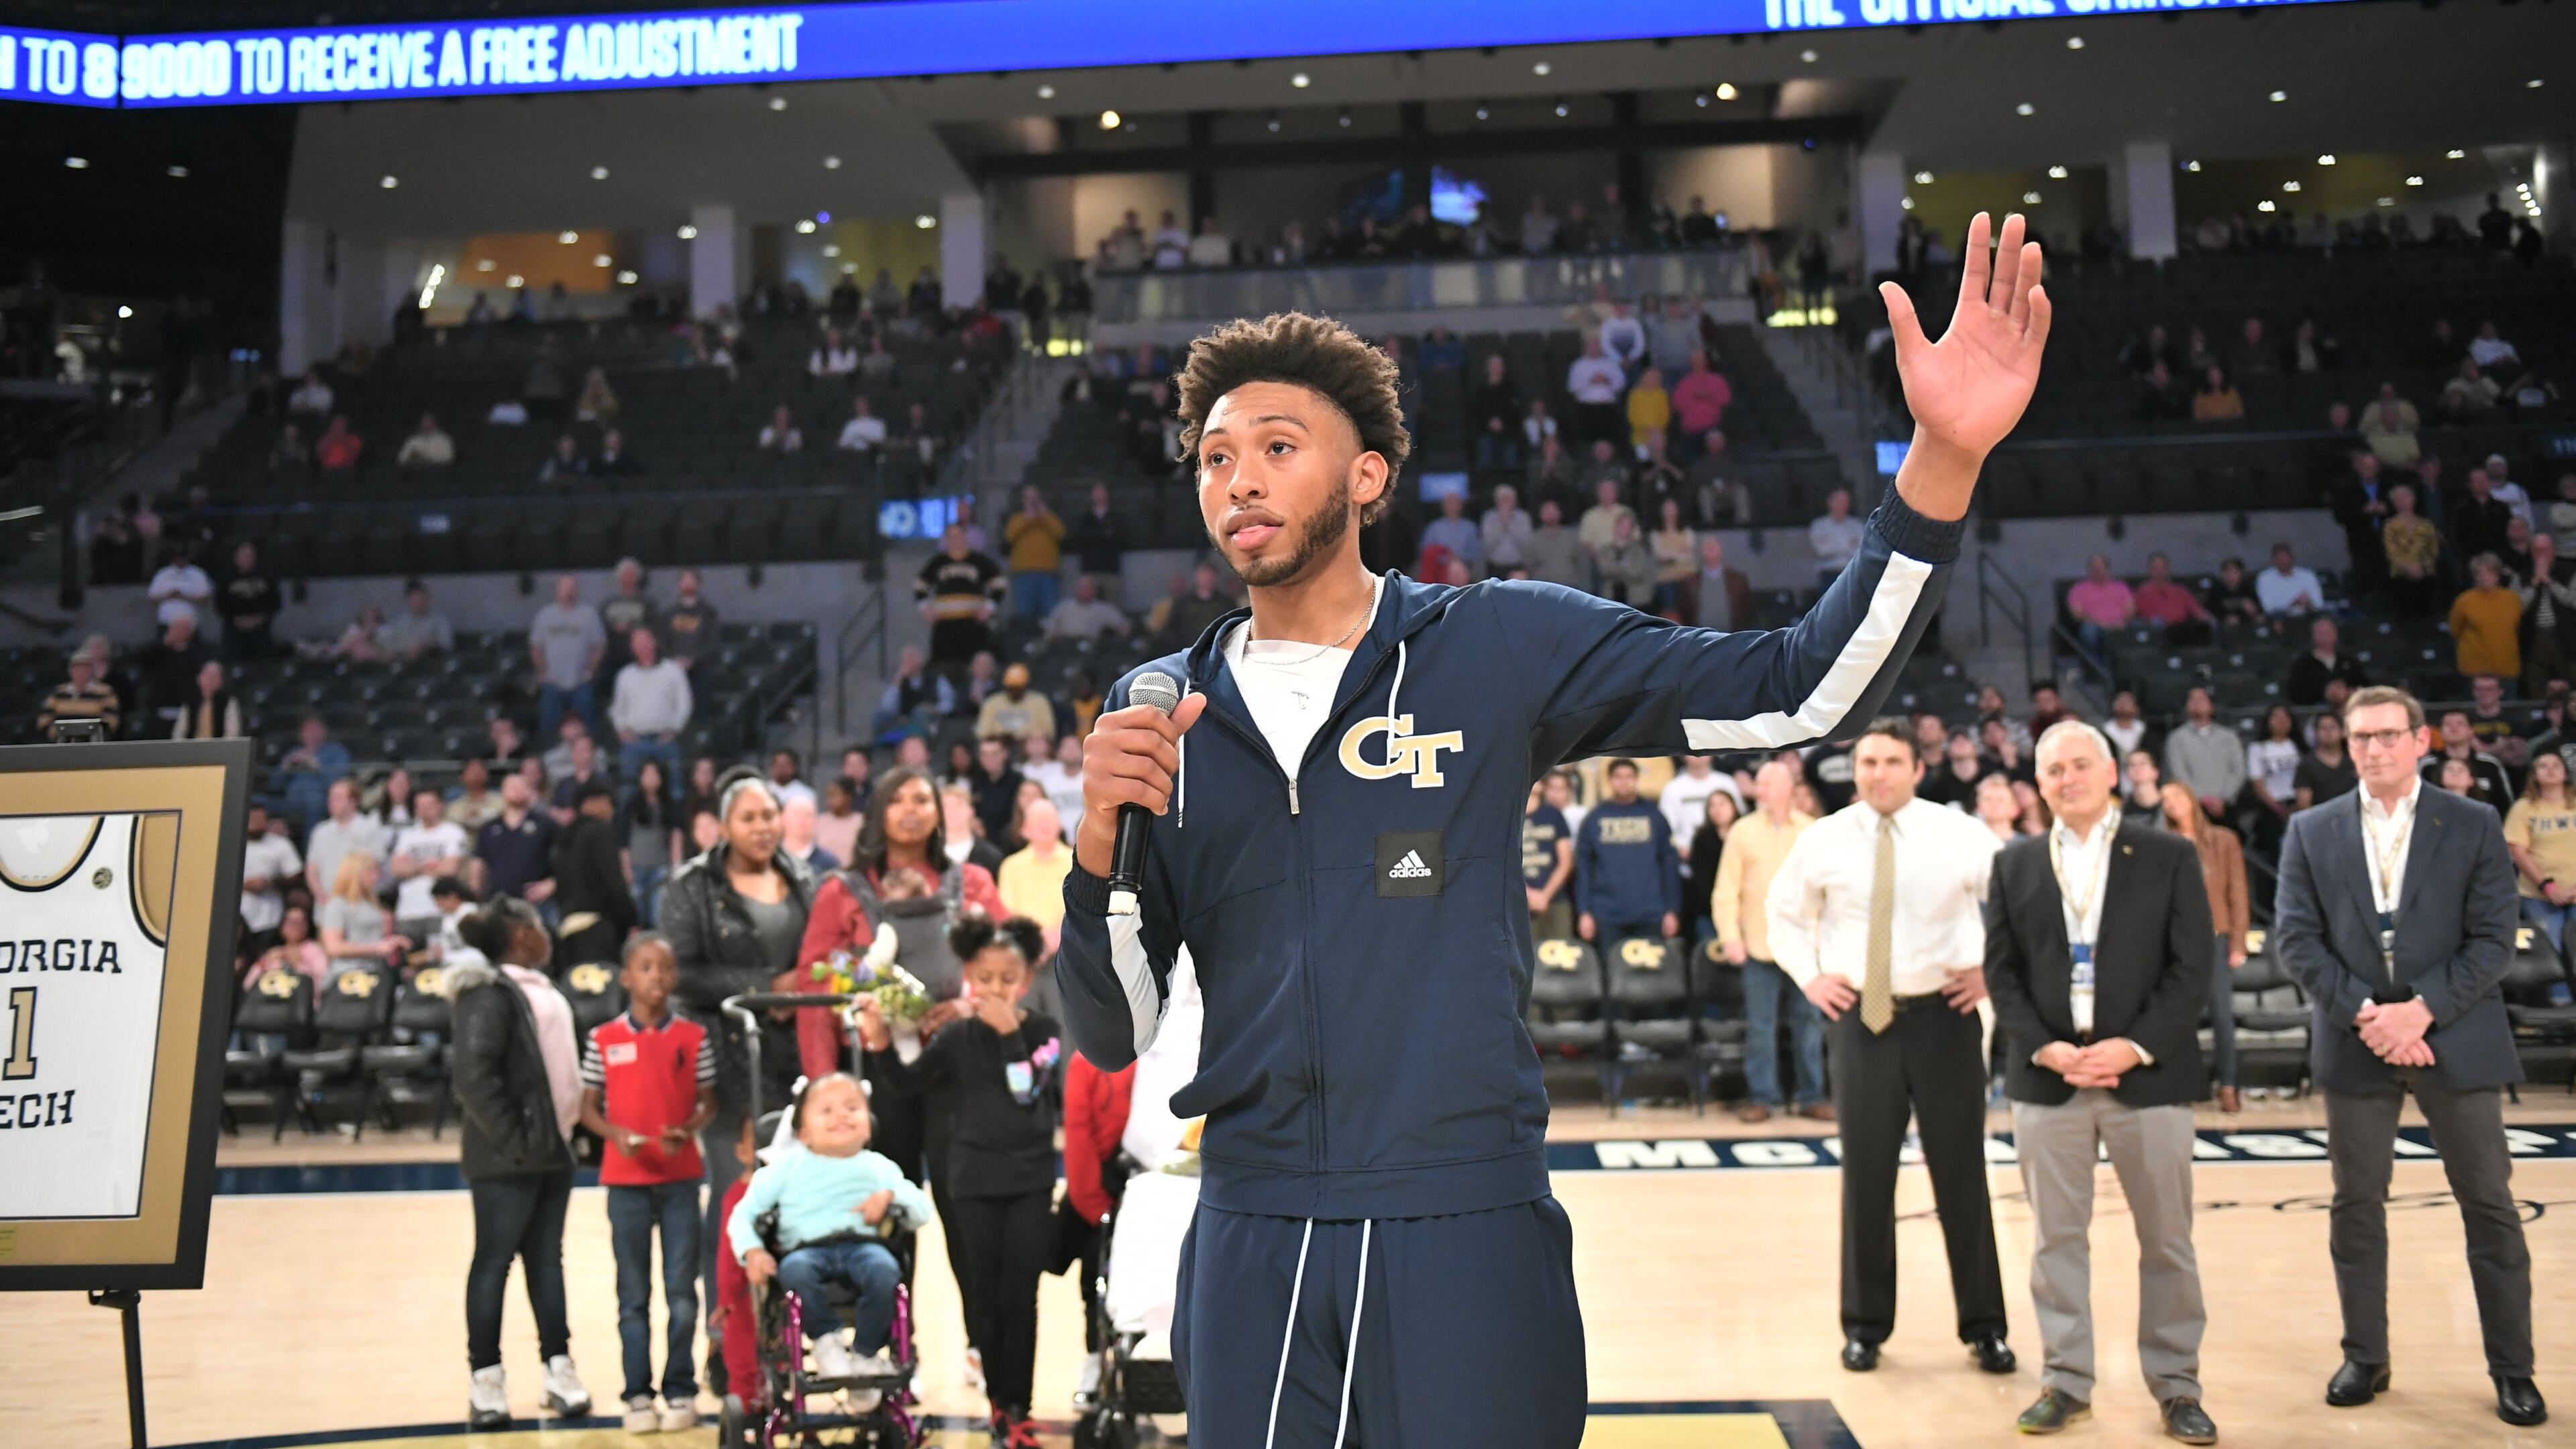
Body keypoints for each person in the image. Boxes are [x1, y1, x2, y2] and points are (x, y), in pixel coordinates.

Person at [1058, 225, 2047, 1447]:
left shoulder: (1497, 645)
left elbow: (1801, 688)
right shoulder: (1161, 710)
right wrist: (1100, 847)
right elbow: (1113, 1028)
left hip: (1462, 1220)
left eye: (1275, 448)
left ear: (1367, 476)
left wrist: (1942, 458)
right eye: (1214, 459)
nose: (1238, 480)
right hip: (1254, 1232)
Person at [2269, 686, 2544, 1428]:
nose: (2374, 749)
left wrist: (2420, 1009)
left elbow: (2494, 937)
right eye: (2360, 737)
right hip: (2357, 1037)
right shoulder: (2311, 828)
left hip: (2453, 1031)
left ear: (2421, 741)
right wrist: (2368, 1013)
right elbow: (2296, 939)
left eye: (2389, 735)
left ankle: (2513, 1370)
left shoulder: (2476, 822)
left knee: (2489, 1205)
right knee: (2356, 1206)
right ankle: (2366, 1355)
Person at [1984, 723, 2217, 1446]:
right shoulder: (2015, 863)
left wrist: (2134, 1045)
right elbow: (2002, 974)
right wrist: (2047, 1049)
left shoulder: (2169, 854)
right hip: (2049, 1079)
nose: (2067, 778)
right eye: (2053, 768)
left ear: (2111, 771)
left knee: (2168, 1242)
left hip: (2145, 1077)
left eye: (2081, 764)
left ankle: (2177, 1388)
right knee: (2056, 1241)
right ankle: (2065, 1381)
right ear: (2039, 781)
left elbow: (2192, 971)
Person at [1766, 720, 2014, 1375]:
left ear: (1917, 767)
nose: (1878, 773)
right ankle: (1865, 1327)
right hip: (1861, 1021)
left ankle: (1985, 1326)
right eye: (1868, 761)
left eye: (1892, 761)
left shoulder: (1959, 832)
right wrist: (1810, 976)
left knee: (1962, 1175)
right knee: (1867, 1178)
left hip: (1947, 1017)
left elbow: (2017, 905)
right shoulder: (1824, 839)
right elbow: (1782, 911)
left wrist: (1993, 970)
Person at [857, 913, 1063, 1445]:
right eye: (986, 978)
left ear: (1026, 981)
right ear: (970, 975)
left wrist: (1009, 1036)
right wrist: (879, 1044)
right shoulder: (955, 1038)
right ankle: (998, 1405)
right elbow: (906, 1083)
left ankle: (1021, 1405)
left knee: (1022, 1296)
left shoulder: (1044, 1033)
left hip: (1030, 1181)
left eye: (1008, 979)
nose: (996, 989)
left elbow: (1028, 1093)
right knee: (984, 1296)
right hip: (972, 1181)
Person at [663, 773, 816, 1366]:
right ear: (724, 826)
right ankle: (725, 1335)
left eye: (769, 815)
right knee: (735, 1199)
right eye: (749, 817)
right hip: (726, 1063)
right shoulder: (692, 886)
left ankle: (781, 1332)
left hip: (793, 1061)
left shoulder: (802, 877)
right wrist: (764, 989)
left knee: (790, 1198)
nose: (763, 827)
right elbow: (682, 972)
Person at [444, 897, 591, 1431]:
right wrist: (517, 1142)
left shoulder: (541, 987)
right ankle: (485, 1378)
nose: (548, 932)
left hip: (554, 1151)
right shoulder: (486, 992)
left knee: (547, 1262)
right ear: (521, 934)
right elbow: (474, 1079)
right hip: (509, 1158)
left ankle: (558, 1369)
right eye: (538, 924)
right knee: (494, 1263)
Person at [576, 934, 715, 1434]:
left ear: (675, 977)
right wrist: (615, 1134)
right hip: (625, 1181)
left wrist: (690, 1130)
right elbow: (588, 1107)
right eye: (646, 967)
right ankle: (637, 1394)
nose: (657, 976)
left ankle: (681, 1389)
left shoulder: (694, 1037)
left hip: (680, 1180)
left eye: (665, 968)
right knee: (632, 1294)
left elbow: (708, 1101)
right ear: (626, 977)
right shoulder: (603, 1038)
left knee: (682, 1292)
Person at [727, 1074, 932, 1393]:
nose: (842, 1115)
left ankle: (865, 1354)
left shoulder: (879, 1167)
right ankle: (826, 1341)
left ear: (868, 1126)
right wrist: (753, 1252)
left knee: (885, 1271)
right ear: (804, 1132)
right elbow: (744, 1214)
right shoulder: (786, 1167)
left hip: (864, 1246)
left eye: (853, 1108)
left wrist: (890, 1197)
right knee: (794, 1270)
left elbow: (921, 1210)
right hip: (806, 1250)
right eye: (827, 1110)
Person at [1713, 759, 1826, 1123]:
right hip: (1758, 945)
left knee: (1809, 1023)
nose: (1759, 791)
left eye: (1766, 785)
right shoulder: (1742, 831)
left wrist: (1826, 940)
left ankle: (1812, 1096)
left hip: (1805, 948)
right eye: (1758, 785)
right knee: (1760, 1027)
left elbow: (1827, 893)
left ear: (1788, 788)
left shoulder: (1812, 831)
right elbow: (1726, 892)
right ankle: (1763, 1097)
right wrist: (1730, 937)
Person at [2160, 782, 2249, 1115]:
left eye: (2177, 796)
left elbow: (2238, 891)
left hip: (2216, 937)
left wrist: (2238, 941)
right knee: (2181, 1017)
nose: (2172, 804)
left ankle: (2229, 1085)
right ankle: (2189, 1085)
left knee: (2221, 1014)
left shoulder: (2223, 840)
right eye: (2165, 800)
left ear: (2191, 799)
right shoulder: (2163, 844)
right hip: (2174, 942)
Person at [1574, 758, 1681, 947]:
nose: (1624, 782)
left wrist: (1672, 910)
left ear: (1637, 779)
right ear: (1610, 780)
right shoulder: (1594, 819)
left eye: (1629, 777)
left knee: (1651, 974)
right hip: (1606, 914)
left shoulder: (1654, 816)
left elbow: (1669, 866)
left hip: (1651, 912)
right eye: (1619, 777)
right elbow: (1584, 869)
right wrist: (1584, 912)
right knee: (1611, 973)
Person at [2503, 751, 2576, 978]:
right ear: (2534, 775)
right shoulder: (2523, 808)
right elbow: (2516, 850)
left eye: (2556, 765)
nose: (2551, 769)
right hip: (2537, 895)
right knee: (2550, 950)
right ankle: (2560, 1005)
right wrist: (2548, 887)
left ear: (2565, 772)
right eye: (2543, 766)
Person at [556, 781, 640, 967]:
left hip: (568, 932)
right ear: (593, 803)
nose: (612, 811)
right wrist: (631, 918)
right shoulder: (600, 832)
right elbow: (614, 883)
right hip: (597, 932)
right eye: (609, 803)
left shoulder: (565, 839)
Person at [916, 523, 1005, 667]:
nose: (956, 540)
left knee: (973, 665)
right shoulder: (938, 563)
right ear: (946, 540)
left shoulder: (979, 561)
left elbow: (999, 584)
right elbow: (920, 585)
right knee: (943, 665)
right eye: (952, 536)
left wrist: (989, 607)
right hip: (945, 627)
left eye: (959, 535)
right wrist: (925, 607)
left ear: (965, 538)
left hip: (973, 625)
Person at [610, 627, 691, 783]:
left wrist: (675, 729)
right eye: (637, 643)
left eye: (645, 641)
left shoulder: (673, 671)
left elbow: (684, 703)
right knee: (627, 788)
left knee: (676, 788)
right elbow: (617, 708)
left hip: (665, 739)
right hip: (635, 740)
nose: (641, 646)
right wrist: (621, 730)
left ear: (654, 642)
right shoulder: (625, 675)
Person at [531, 576, 607, 739]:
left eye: (572, 589)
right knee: (549, 732)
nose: (568, 592)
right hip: (552, 683)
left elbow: (600, 646)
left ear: (577, 591)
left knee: (588, 731)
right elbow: (536, 647)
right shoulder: (545, 615)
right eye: (564, 589)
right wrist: (542, 671)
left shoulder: (589, 615)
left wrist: (590, 670)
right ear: (556, 592)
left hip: (581, 683)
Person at [390, 789, 470, 944]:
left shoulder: (453, 832)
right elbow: (397, 869)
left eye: (429, 805)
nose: (424, 810)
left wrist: (413, 867)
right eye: (419, 806)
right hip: (408, 910)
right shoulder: (408, 835)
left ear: (441, 806)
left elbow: (450, 869)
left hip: (440, 909)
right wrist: (428, 866)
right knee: (409, 964)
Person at [2162, 687, 2246, 825]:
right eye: (2192, 699)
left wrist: (2222, 799)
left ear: (2212, 706)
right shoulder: (2176, 738)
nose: (2197, 703)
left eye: (2202, 699)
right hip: (2192, 807)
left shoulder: (2229, 736)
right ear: (2186, 706)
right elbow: (2179, 773)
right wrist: (2204, 799)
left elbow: (2238, 771)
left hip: (2226, 807)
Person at [318, 852, 407, 967]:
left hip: (377, 969)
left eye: (377, 871)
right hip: (350, 972)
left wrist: (392, 942)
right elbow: (333, 947)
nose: (377, 876)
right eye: (371, 871)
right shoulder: (338, 904)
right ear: (355, 874)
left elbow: (374, 938)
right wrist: (376, 948)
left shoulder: (372, 903)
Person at [2451, 554, 2524, 682]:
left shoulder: (2512, 599)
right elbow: (2455, 630)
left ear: (2497, 575)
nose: (2484, 577)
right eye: (2479, 573)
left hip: (2507, 667)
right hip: (2475, 670)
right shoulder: (2464, 601)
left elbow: (2518, 628)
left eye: (2489, 572)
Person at [1522, 780, 1576, 942]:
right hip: (1519, 903)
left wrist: (1545, 896)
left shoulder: (1554, 815)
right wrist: (1528, 894)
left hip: (1556, 901)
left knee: (1561, 957)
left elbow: (1566, 862)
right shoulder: (1508, 816)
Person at [1004, 486, 1065, 626]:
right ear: (1024, 500)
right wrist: (1028, 518)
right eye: (1029, 498)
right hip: (1024, 574)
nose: (1033, 501)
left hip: (1048, 573)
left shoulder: (1050, 518)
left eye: (1035, 498)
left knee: (1050, 614)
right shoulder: (1017, 519)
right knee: (1024, 614)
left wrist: (1045, 516)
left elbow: (1061, 534)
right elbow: (1009, 536)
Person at [38, 649, 120, 739]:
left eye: (85, 669)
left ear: (91, 671)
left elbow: (112, 721)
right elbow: (43, 720)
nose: (81, 672)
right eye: (77, 669)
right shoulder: (58, 692)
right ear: (71, 671)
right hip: (62, 742)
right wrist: (58, 733)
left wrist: (92, 734)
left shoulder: (105, 692)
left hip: (93, 743)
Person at [2286, 617, 2368, 707]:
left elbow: (2364, 686)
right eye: (2321, 632)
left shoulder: (2350, 661)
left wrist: (2348, 692)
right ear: (2313, 635)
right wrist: (2325, 693)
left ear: (2336, 633)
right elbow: (2295, 694)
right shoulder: (2302, 664)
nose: (2325, 635)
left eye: (2329, 631)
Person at [2064, 553, 2135, 649]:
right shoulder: (2078, 589)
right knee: (2089, 632)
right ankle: (2096, 663)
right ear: (2089, 569)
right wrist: (2103, 624)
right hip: (2095, 626)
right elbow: (2078, 615)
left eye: (2101, 567)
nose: (2098, 570)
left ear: (2108, 569)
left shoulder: (2121, 587)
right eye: (2094, 567)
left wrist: (2122, 622)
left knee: (2142, 629)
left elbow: (2131, 609)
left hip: (2121, 624)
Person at [2295, 710, 2357, 809]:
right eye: (2323, 728)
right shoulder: (2306, 766)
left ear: (2342, 732)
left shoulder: (2355, 760)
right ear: (2316, 733)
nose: (2328, 732)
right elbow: (2304, 804)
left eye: (2332, 727)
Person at [170, 659, 242, 739]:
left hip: (218, 749)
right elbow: (179, 732)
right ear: (199, 678)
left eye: (215, 677)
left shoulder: (229, 702)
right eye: (207, 676)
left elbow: (232, 734)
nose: (210, 680)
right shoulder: (190, 703)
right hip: (192, 748)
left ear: (221, 681)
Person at [1808, 487, 1863, 588]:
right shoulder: (1819, 526)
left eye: (1845, 501)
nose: (1842, 504)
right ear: (1830, 502)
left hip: (1853, 573)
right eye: (1839, 501)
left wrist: (1834, 545)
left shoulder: (1857, 526)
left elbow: (1860, 550)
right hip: (1829, 574)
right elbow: (1822, 550)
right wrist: (1849, 544)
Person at [2255, 543, 2324, 616]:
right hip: (2281, 619)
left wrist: (2309, 603)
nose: (2284, 562)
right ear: (2274, 560)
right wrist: (2293, 604)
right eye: (2280, 559)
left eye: (2286, 558)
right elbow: (2268, 608)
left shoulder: (2308, 575)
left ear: (2292, 558)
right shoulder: (2265, 578)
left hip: (2309, 616)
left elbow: (2319, 604)